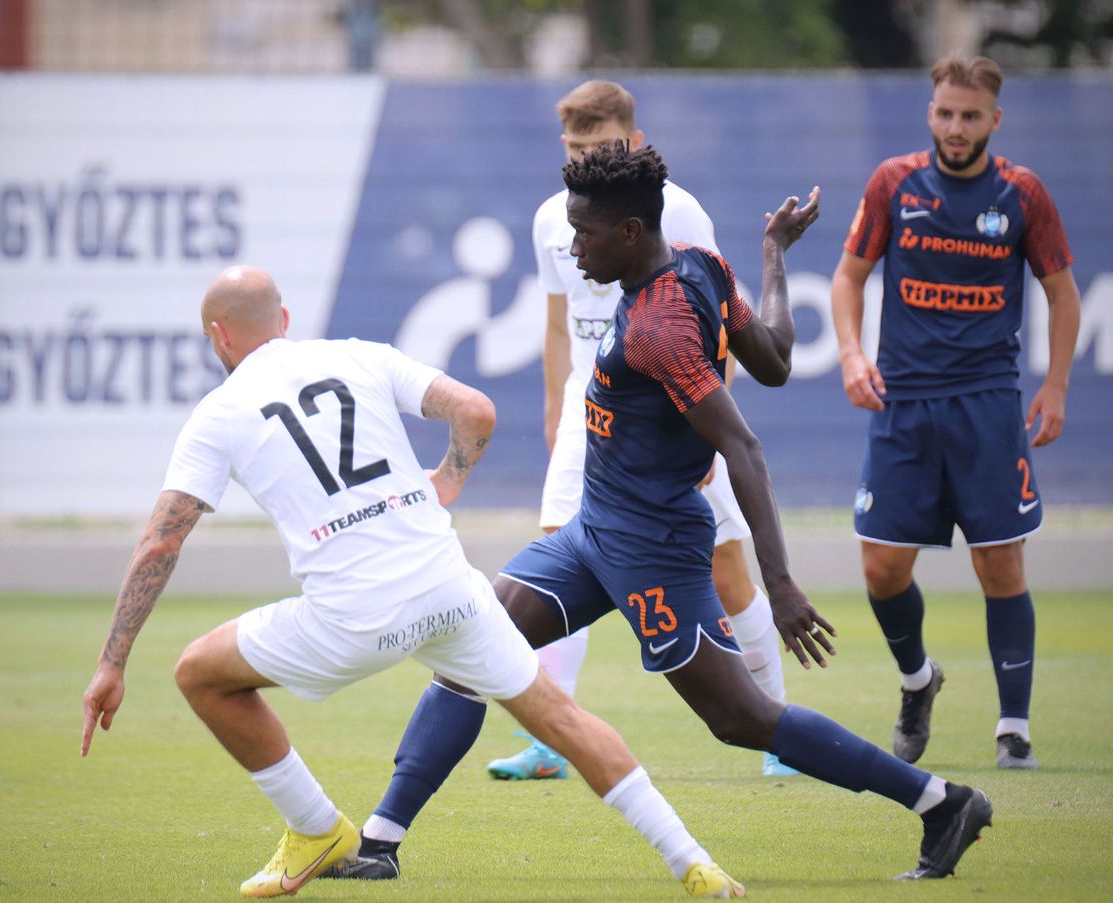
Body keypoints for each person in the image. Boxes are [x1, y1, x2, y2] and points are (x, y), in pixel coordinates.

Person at [328, 144, 993, 887]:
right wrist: (774, 253)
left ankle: (941, 803)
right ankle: (379, 843)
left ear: (630, 232)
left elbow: (743, 446)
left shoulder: (659, 328)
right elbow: (775, 357)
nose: (572, 246)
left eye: (583, 233)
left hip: (653, 549)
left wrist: (779, 582)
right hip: (592, 533)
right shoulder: (703, 267)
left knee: (741, 718)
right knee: (470, 648)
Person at [78, 265, 746, 898]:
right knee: (563, 719)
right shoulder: (359, 355)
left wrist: (112, 663)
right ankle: (693, 860)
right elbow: (476, 410)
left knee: (199, 673)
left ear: (218, 337)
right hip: (450, 589)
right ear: (283, 320)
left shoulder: (218, 412)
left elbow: (161, 540)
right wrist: (448, 480)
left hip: (353, 619)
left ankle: (315, 828)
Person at [487, 79, 795, 782]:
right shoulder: (553, 218)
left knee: (725, 570)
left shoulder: (677, 209)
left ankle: (776, 724)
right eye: (574, 147)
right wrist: (556, 411)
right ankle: (550, 735)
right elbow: (558, 322)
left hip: (672, 411)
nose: (583, 158)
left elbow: (716, 311)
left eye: (598, 145)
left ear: (633, 140)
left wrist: (711, 423)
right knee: (555, 553)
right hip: (591, 409)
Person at [830, 55, 1080, 770]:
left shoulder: (1022, 193)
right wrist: (851, 355)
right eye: (945, 113)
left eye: (970, 116)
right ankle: (918, 679)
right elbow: (848, 277)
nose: (956, 127)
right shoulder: (894, 183)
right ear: (930, 113)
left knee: (1000, 562)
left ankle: (1013, 729)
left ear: (994, 119)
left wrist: (1056, 386)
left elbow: (1063, 294)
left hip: (987, 404)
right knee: (881, 568)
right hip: (904, 403)